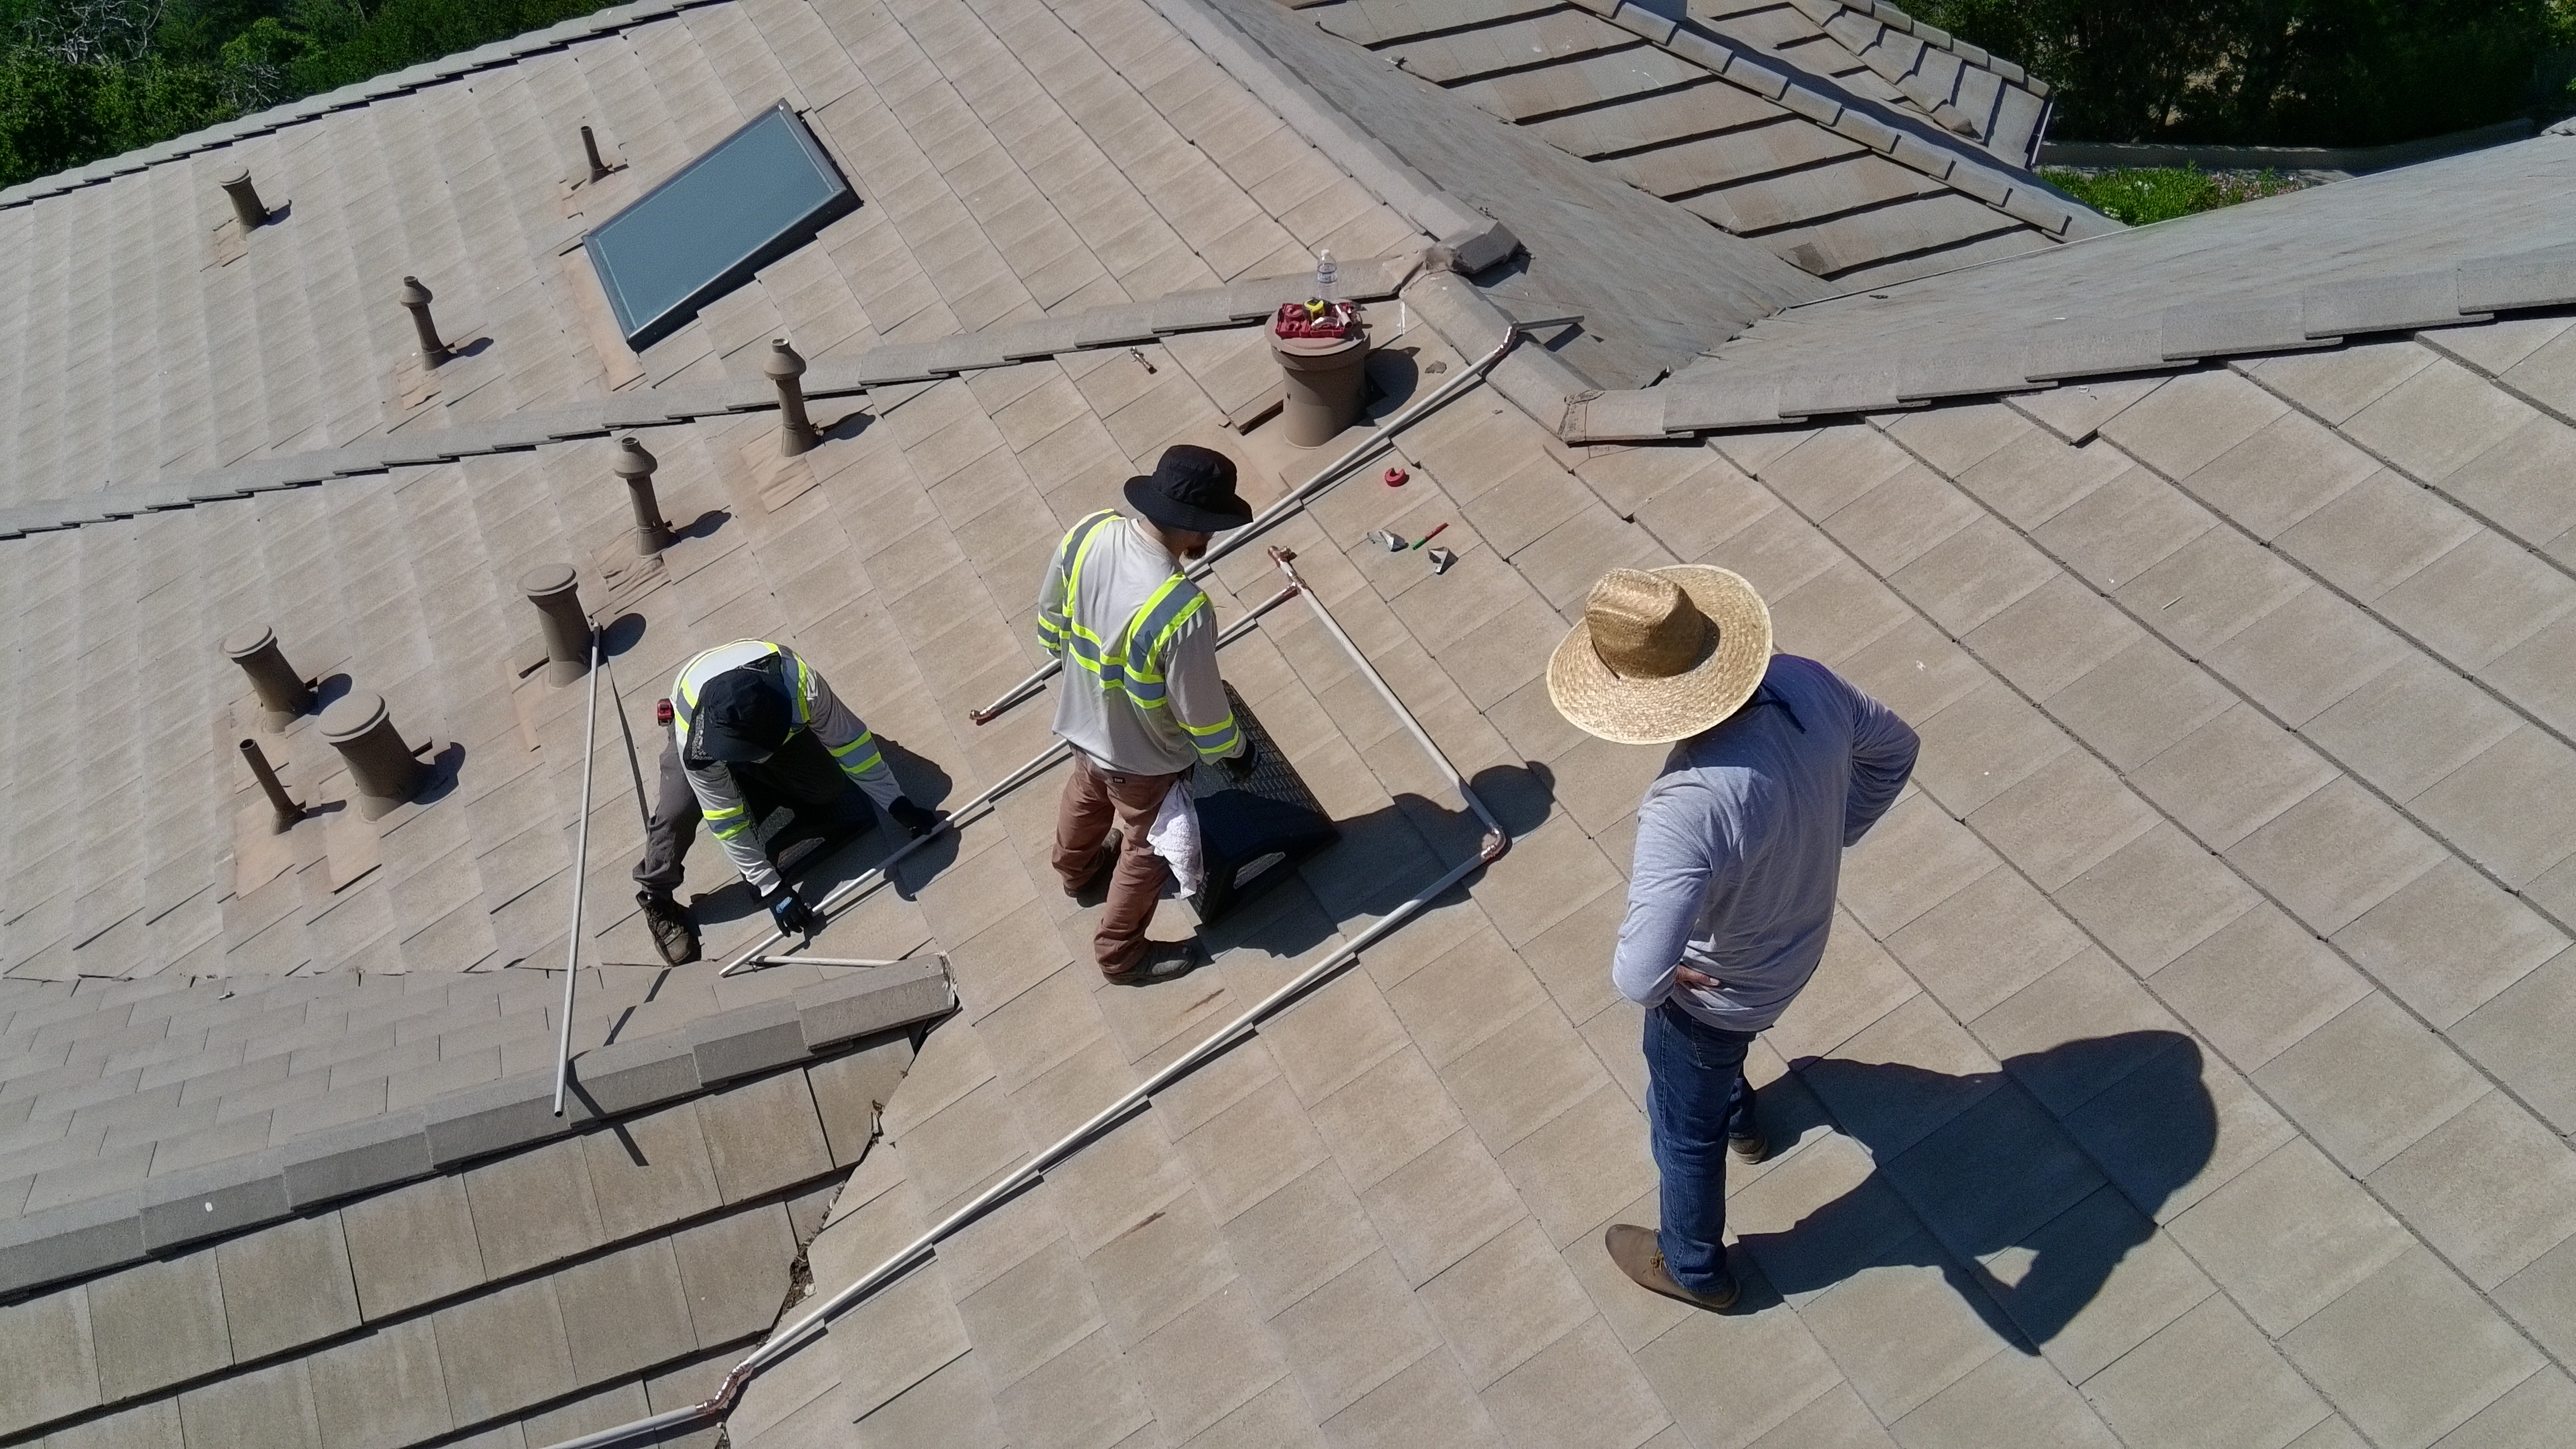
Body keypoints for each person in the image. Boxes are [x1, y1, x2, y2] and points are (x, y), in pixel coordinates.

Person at [1551, 566, 1919, 1311]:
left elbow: (1637, 977)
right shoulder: (1806, 684)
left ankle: (1693, 1267)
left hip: (1721, 993)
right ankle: (1744, 1122)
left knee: (1683, 1129)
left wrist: (1667, 977)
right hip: (1796, 948)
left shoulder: (1685, 807)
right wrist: (1832, 835)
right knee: (1717, 1065)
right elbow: (1897, 748)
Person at [1037, 444, 1258, 983]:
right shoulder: (1180, 609)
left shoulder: (1089, 533)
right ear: (1198, 526)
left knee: (1087, 791)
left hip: (1082, 724)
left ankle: (1077, 871)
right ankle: (1121, 955)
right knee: (1148, 846)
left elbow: (1049, 622)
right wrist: (1237, 753)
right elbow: (1203, 716)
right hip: (1143, 760)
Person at [632, 640, 935, 964]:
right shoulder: (698, 743)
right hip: (700, 718)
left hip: (765, 723)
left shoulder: (803, 687)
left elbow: (852, 745)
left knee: (828, 788)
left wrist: (897, 803)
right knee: (677, 810)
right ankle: (656, 895)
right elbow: (726, 821)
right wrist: (771, 888)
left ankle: (753, 779)